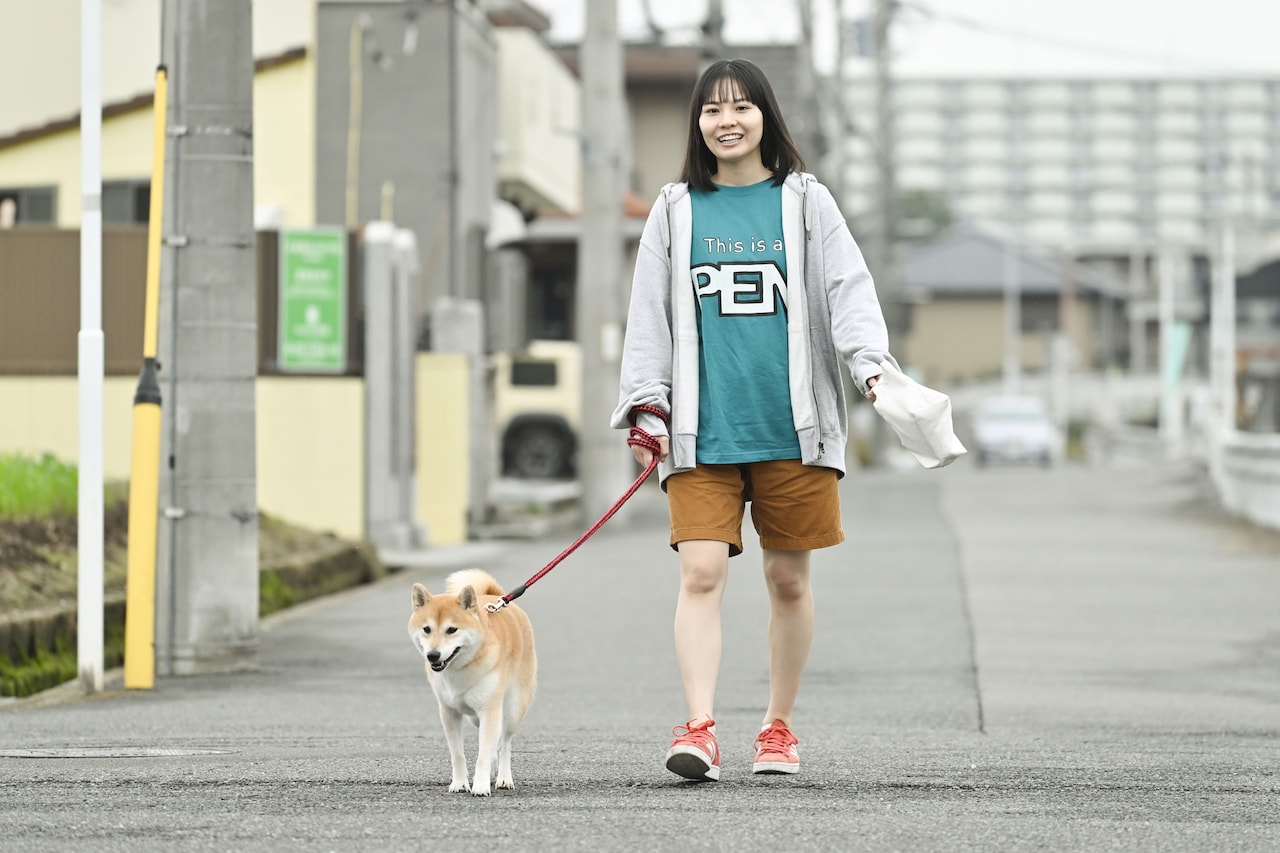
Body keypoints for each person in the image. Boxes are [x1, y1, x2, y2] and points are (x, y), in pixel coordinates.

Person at [612, 58, 897, 782]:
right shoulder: (674, 210)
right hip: (700, 432)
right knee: (701, 572)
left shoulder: (806, 203)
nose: (726, 121)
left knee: (788, 581)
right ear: (697, 125)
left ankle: (777, 726)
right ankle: (700, 727)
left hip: (794, 425)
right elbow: (647, 316)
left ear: (767, 116)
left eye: (741, 107)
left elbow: (849, 289)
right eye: (712, 110)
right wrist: (647, 403)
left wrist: (871, 365)